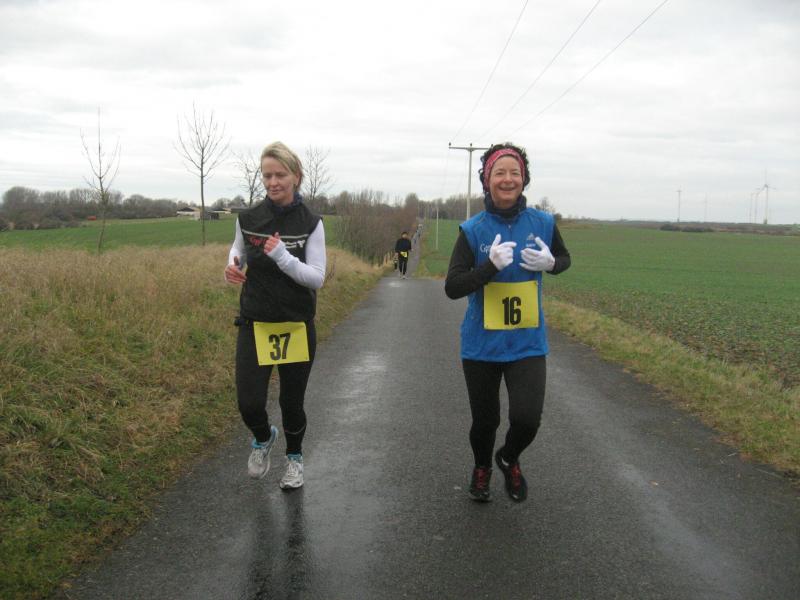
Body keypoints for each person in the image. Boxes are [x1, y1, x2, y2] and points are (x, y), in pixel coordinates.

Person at [444, 142, 571, 502]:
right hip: (481, 344)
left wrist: (552, 264)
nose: (508, 179)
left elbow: (564, 258)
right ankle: (482, 467)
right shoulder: (472, 230)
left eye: (515, 172)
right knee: (486, 422)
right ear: (487, 180)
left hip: (527, 342)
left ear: (524, 179)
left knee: (528, 419)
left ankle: (508, 457)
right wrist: (488, 268)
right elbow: (453, 287)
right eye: (499, 172)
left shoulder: (543, 222)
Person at [224, 141, 326, 490]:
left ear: (296, 176)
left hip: (295, 323)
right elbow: (237, 250)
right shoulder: (249, 218)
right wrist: (232, 267)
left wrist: (283, 256)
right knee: (249, 402)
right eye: (267, 175)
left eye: (280, 175)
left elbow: (316, 278)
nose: (272, 182)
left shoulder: (311, 222)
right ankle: (263, 436)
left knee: (291, 402)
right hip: (255, 321)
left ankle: (294, 458)